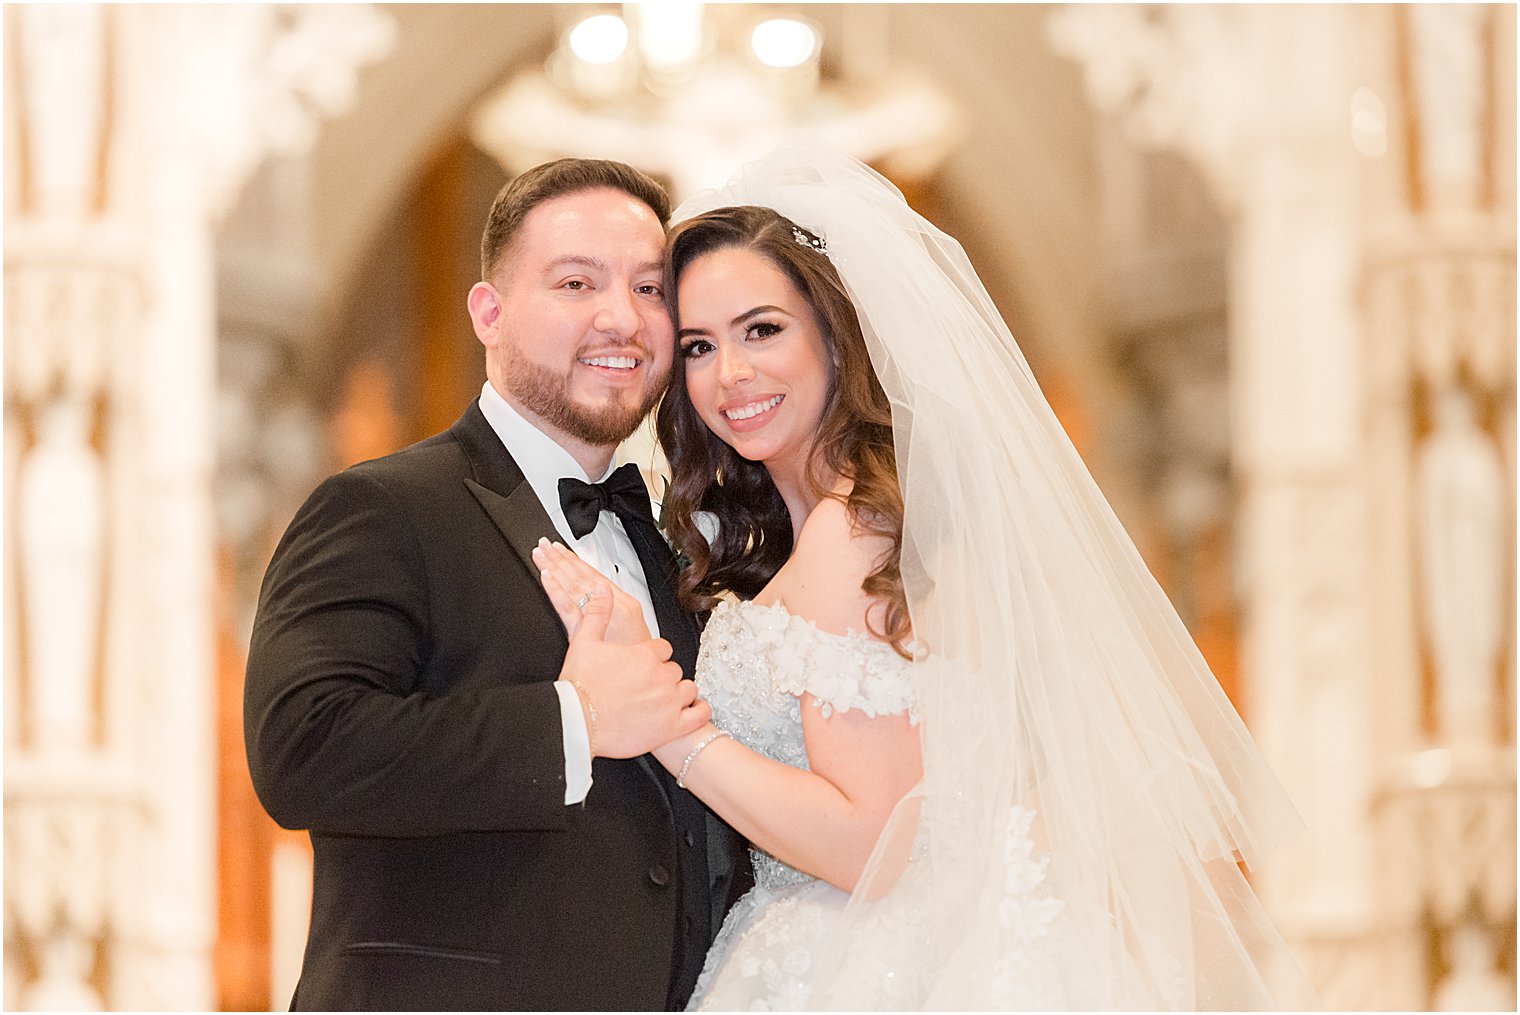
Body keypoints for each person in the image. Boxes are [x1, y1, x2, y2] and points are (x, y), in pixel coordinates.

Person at [532, 144, 1322, 1009]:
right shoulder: (845, 528)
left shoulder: (854, 533)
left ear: (837, 338)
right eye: (698, 345)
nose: (731, 374)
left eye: (764, 330)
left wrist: (668, 728)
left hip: (866, 964)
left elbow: (865, 839)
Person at [243, 158, 749, 1011]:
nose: (620, 318)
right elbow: (302, 748)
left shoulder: (672, 545)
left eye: (650, 289)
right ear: (490, 312)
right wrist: (574, 723)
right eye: (575, 282)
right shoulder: (381, 506)